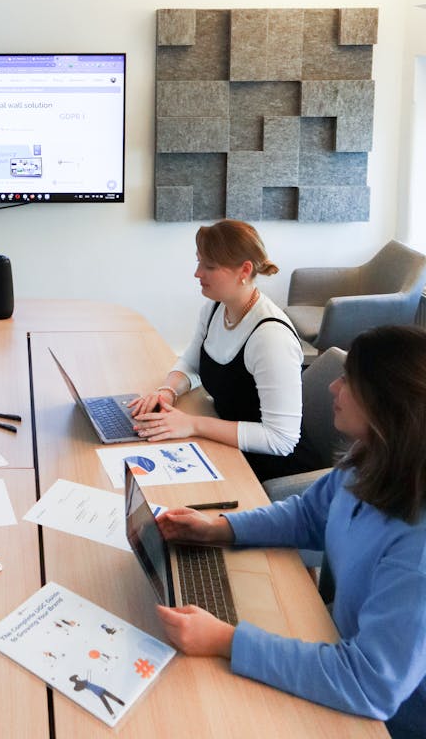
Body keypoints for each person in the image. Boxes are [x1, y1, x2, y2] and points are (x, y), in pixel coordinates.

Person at [153, 324, 426, 739]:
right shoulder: (371, 457)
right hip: (344, 646)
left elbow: (371, 684)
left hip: (389, 717)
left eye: (348, 380)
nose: (334, 386)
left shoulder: (417, 547)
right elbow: (309, 517)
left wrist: (226, 641)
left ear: (387, 405)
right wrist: (217, 529)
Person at [130, 219, 317, 480]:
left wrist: (193, 424)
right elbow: (191, 365)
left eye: (209, 266)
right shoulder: (215, 309)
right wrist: (168, 391)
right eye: (198, 262)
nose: (197, 273)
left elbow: (281, 439)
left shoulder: (270, 338)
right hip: (228, 446)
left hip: (271, 473)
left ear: (244, 270)